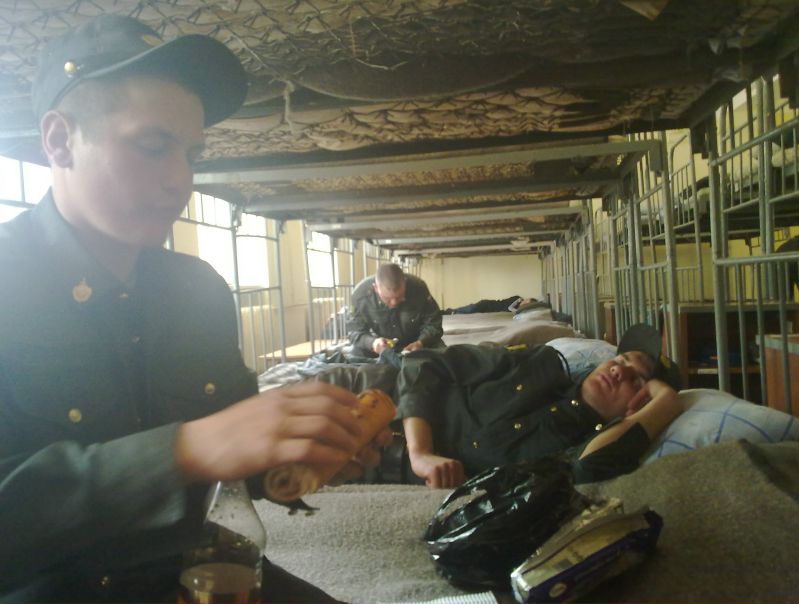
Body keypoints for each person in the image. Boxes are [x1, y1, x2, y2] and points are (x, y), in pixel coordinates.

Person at [0, 15, 389, 604]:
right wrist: (184, 449)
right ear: (59, 140)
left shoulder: (196, 289)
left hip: (202, 570)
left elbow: (229, 462)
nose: (180, 181)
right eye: (153, 147)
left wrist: (298, 456)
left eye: (191, 153)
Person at [397, 323, 683, 488]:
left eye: (636, 380)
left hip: (389, 468)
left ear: (639, 406)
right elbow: (421, 362)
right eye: (620, 360)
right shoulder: (536, 364)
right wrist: (420, 452)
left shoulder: (581, 448)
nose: (618, 371)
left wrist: (666, 403)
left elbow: (587, 470)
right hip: (385, 396)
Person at [347, 263, 444, 357]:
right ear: (376, 288)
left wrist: (420, 343)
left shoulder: (418, 288)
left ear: (405, 284)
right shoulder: (361, 295)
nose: (393, 303)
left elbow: (434, 323)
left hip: (416, 342)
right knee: (356, 354)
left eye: (399, 297)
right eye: (387, 299)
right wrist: (372, 342)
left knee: (444, 355)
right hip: (381, 346)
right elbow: (354, 331)